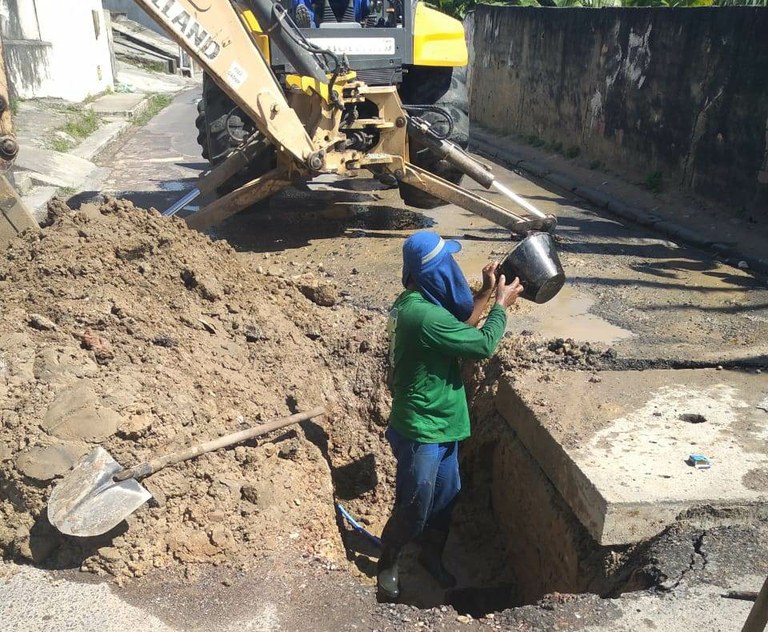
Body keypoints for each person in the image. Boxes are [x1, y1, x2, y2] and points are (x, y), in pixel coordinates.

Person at [377, 230, 524, 600]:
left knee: (445, 498)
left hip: (444, 422)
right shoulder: (421, 316)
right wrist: (502, 306)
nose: (453, 270)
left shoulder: (419, 302)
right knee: (415, 505)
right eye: (447, 265)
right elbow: (482, 343)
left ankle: (430, 557)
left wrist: (488, 292)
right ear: (432, 273)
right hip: (421, 428)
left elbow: (461, 325)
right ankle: (388, 561)